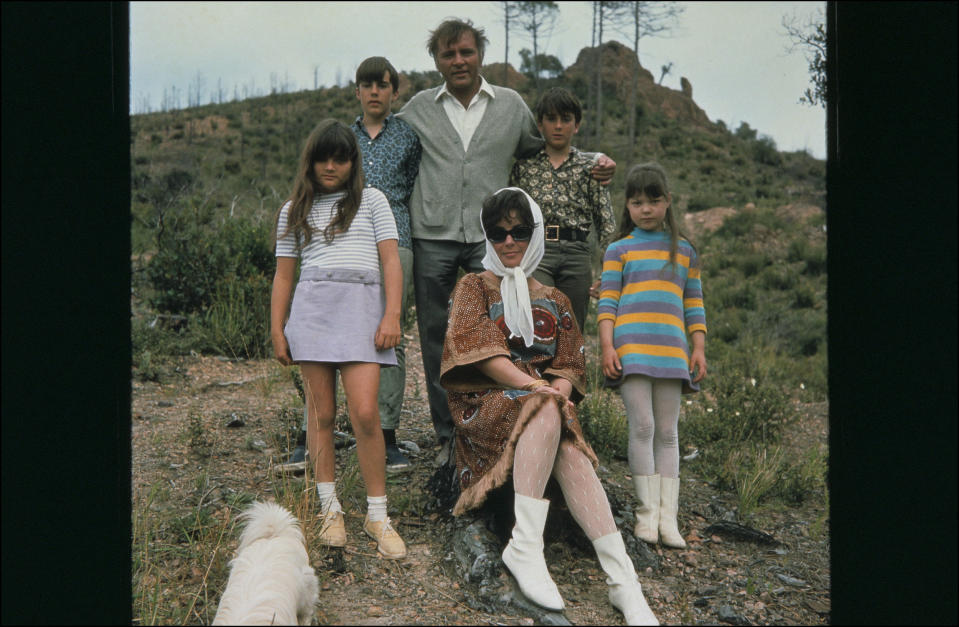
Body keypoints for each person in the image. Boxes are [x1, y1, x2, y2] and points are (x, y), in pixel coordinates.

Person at [396, 18, 616, 467]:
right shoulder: (418, 108)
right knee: (437, 336)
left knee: (507, 333)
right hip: (432, 234)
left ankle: (508, 425)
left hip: (492, 238)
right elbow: (385, 143)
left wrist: (595, 160)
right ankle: (449, 435)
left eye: (466, 52)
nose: (458, 61)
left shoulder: (511, 105)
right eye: (448, 54)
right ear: (436, 60)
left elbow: (549, 149)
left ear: (481, 54)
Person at [439, 187, 659, 625]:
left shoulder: (557, 300)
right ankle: (537, 552)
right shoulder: (473, 287)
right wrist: (537, 387)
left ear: (535, 234)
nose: (509, 242)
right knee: (546, 407)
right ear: (487, 237)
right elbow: (481, 354)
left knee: (559, 430)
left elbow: (570, 364)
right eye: (498, 233)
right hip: (485, 405)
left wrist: (550, 391)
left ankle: (622, 582)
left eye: (520, 231)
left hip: (544, 407)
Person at [270, 119, 407, 559]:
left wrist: (391, 314)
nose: (331, 166)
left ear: (353, 162)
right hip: (312, 316)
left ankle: (377, 515)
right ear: (309, 161)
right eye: (322, 157)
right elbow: (284, 275)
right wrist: (278, 328)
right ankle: (329, 509)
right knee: (321, 414)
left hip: (362, 316)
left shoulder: (372, 201)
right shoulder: (293, 209)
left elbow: (391, 262)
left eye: (340, 158)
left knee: (366, 414)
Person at [287, 57, 422, 474]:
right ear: (357, 91)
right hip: (341, 246)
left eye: (383, 85)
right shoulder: (343, 138)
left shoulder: (409, 137)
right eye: (368, 85)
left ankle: (386, 434)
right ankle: (315, 429)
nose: (375, 92)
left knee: (388, 333)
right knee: (319, 336)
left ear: (394, 91)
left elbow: (418, 186)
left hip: (393, 240)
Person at [597, 163, 707, 550]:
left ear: (668, 202)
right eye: (637, 202)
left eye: (654, 201)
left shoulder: (685, 250)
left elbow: (694, 303)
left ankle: (668, 520)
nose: (646, 209)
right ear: (627, 206)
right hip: (631, 349)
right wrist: (608, 346)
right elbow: (607, 302)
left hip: (672, 351)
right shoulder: (618, 249)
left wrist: (698, 347)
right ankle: (646, 517)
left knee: (668, 432)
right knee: (642, 427)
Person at [509, 87, 616, 332]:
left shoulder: (591, 167)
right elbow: (512, 218)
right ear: (540, 123)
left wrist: (608, 272)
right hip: (538, 252)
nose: (558, 126)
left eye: (566, 120)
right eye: (551, 119)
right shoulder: (524, 168)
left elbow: (606, 223)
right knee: (540, 321)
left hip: (577, 255)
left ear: (576, 125)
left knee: (572, 328)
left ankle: (568, 371)